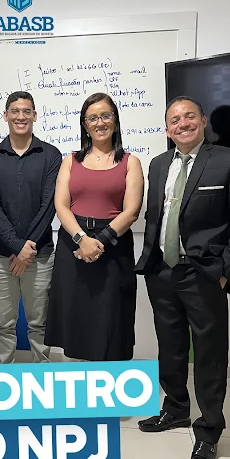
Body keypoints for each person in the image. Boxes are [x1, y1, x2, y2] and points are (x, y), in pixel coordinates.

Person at [136, 96, 230, 459]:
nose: (182, 123)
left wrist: (225, 269)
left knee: (208, 353)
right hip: (162, 271)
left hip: (203, 273)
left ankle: (208, 431)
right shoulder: (158, 164)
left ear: (203, 121)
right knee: (170, 346)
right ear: (167, 128)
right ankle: (175, 409)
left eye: (189, 116)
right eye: (174, 119)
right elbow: (158, 216)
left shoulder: (229, 160)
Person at [45, 92, 144, 361]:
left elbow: (131, 211)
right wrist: (82, 239)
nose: (100, 123)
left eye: (105, 116)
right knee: (76, 319)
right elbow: (61, 206)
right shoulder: (70, 160)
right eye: (92, 118)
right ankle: (82, 381)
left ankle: (110, 382)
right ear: (85, 125)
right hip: (73, 245)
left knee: (112, 321)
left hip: (113, 247)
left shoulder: (131, 162)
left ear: (115, 120)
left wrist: (98, 241)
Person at [0, 91, 62, 364]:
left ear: (35, 116)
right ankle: (2, 378)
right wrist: (17, 247)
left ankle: (42, 376)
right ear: (5, 116)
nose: (21, 116)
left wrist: (26, 250)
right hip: (0, 256)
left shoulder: (51, 155)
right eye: (15, 111)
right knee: (3, 323)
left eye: (27, 111)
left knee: (39, 323)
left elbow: (49, 205)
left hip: (40, 255)